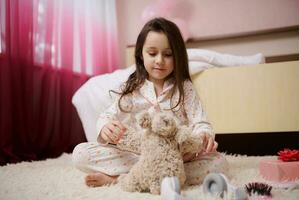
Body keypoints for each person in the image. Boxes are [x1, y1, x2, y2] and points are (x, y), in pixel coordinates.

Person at [72, 17, 228, 188]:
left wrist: (204, 135)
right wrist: (104, 127)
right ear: (141, 54)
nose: (159, 60)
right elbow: (107, 115)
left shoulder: (185, 88)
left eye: (168, 54)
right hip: (138, 154)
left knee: (219, 163)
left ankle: (121, 179)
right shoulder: (132, 88)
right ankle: (149, 176)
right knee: (80, 154)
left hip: (176, 157)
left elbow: (200, 122)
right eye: (152, 53)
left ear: (177, 56)